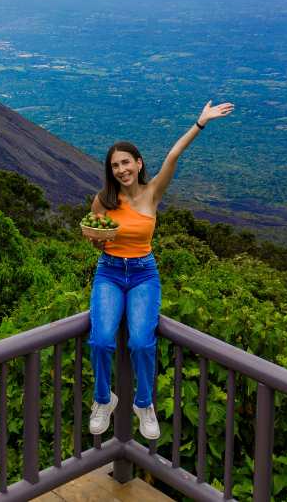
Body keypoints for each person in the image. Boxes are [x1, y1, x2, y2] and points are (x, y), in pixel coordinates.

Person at [85, 99, 235, 440]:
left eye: (126, 163)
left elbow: (173, 156)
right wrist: (95, 240)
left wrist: (200, 123)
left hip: (142, 274)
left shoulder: (152, 193)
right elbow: (94, 234)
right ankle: (103, 400)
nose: (121, 170)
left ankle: (143, 404)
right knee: (101, 339)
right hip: (109, 272)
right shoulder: (103, 200)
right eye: (115, 166)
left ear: (138, 164)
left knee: (140, 341)